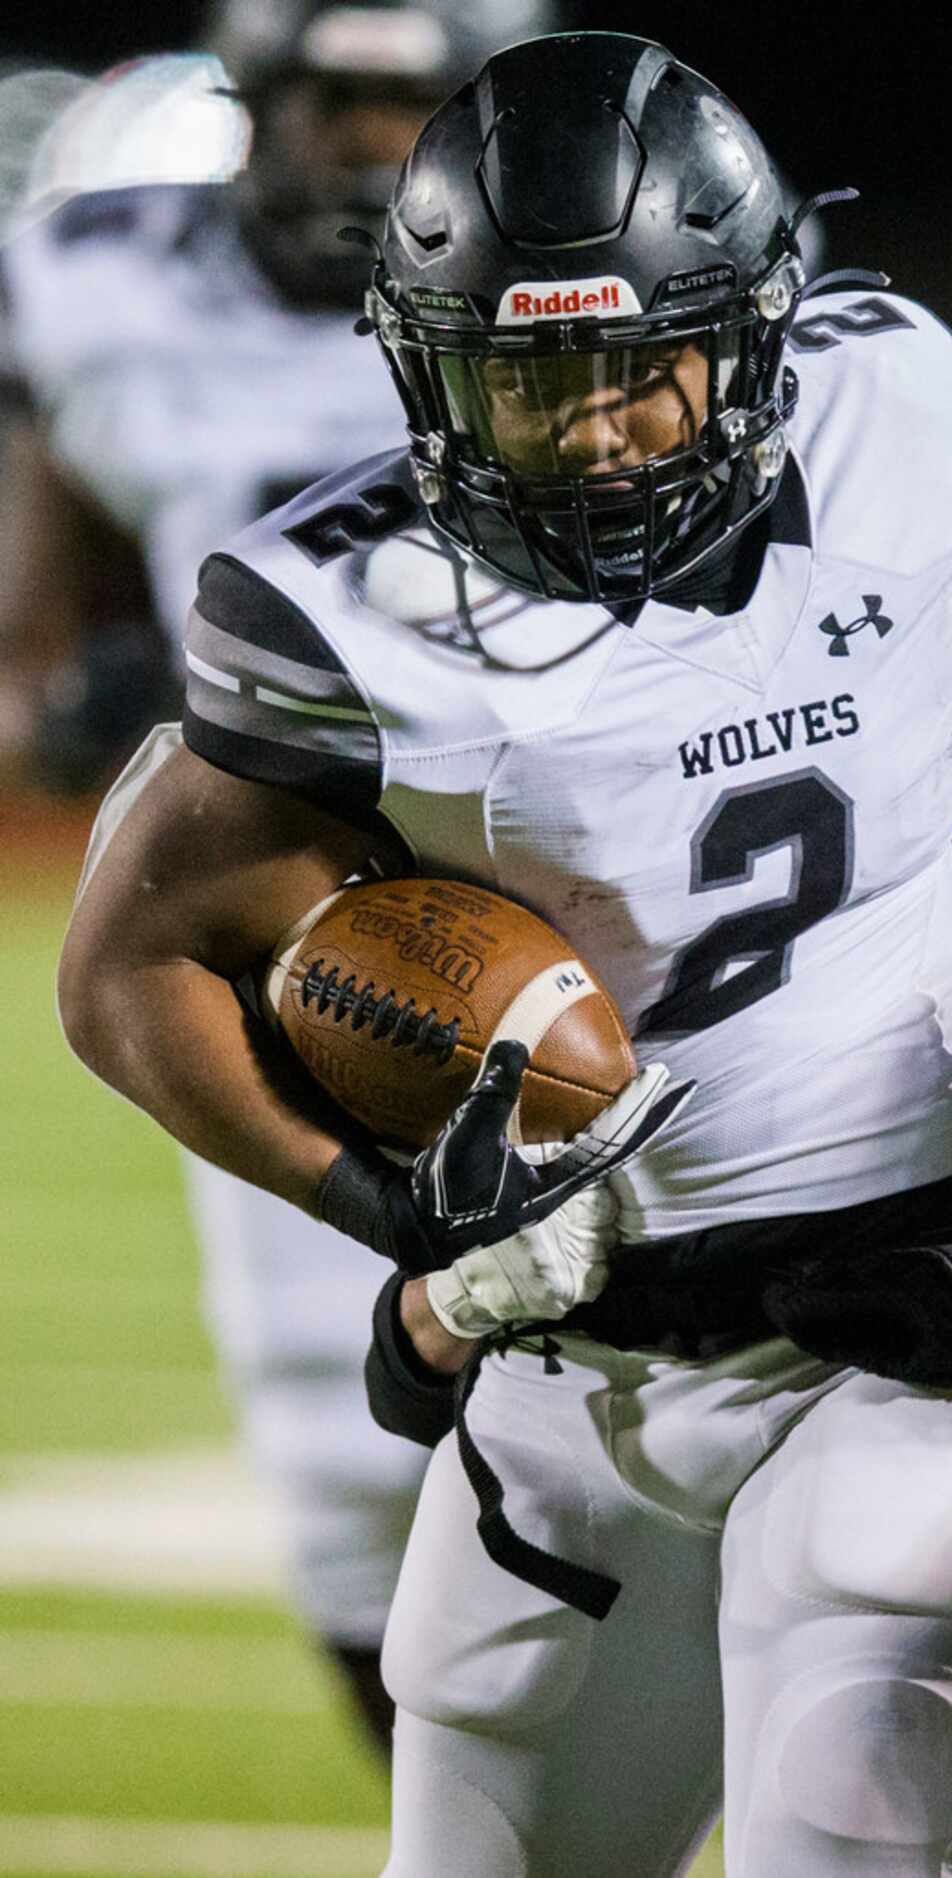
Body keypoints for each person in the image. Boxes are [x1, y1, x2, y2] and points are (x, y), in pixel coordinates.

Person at [56, 34, 952, 1875]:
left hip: (914, 1291)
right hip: (578, 1334)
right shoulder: (342, 613)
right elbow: (125, 965)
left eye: (648, 368)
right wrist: (403, 1212)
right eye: (532, 386)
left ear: (762, 333)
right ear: (425, 375)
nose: (603, 427)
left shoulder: (905, 418)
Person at [2, 0, 561, 1748]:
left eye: (410, 105)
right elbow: (25, 645)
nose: (368, 147)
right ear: (255, 90)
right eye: (332, 98)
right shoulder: (101, 284)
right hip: (283, 940)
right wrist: (72, 698)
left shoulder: (568, 305)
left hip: (561, 900)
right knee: (349, 1499)